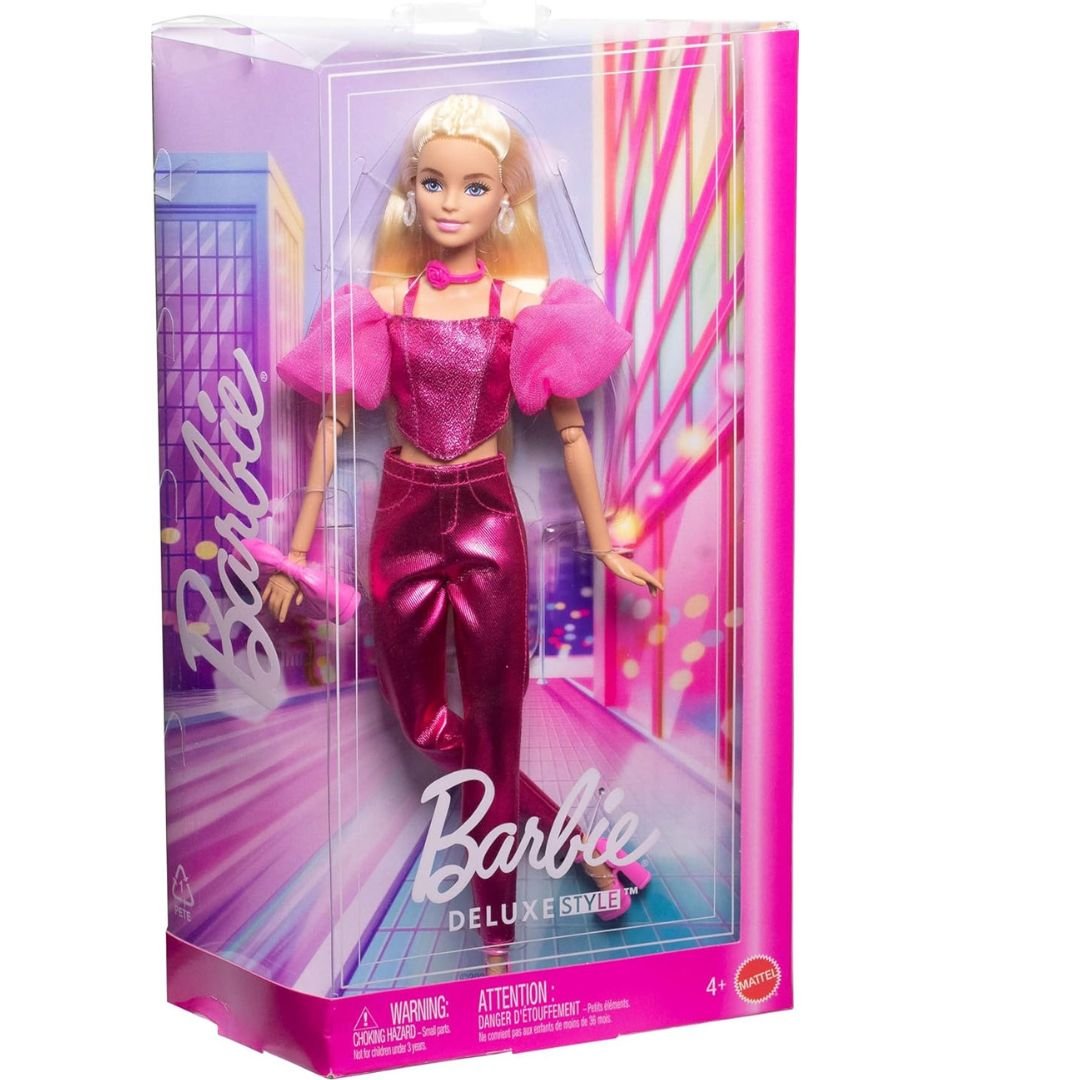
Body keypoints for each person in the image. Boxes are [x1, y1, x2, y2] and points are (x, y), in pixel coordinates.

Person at [266, 94, 662, 976]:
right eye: (435, 183)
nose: (451, 202)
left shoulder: (528, 308)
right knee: (425, 721)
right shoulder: (378, 305)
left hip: (488, 515)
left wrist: (605, 545)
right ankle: (585, 845)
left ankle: (496, 941)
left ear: (503, 199)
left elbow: (571, 431)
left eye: (474, 186)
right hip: (403, 515)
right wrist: (293, 555)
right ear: (411, 189)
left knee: (495, 721)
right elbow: (332, 425)